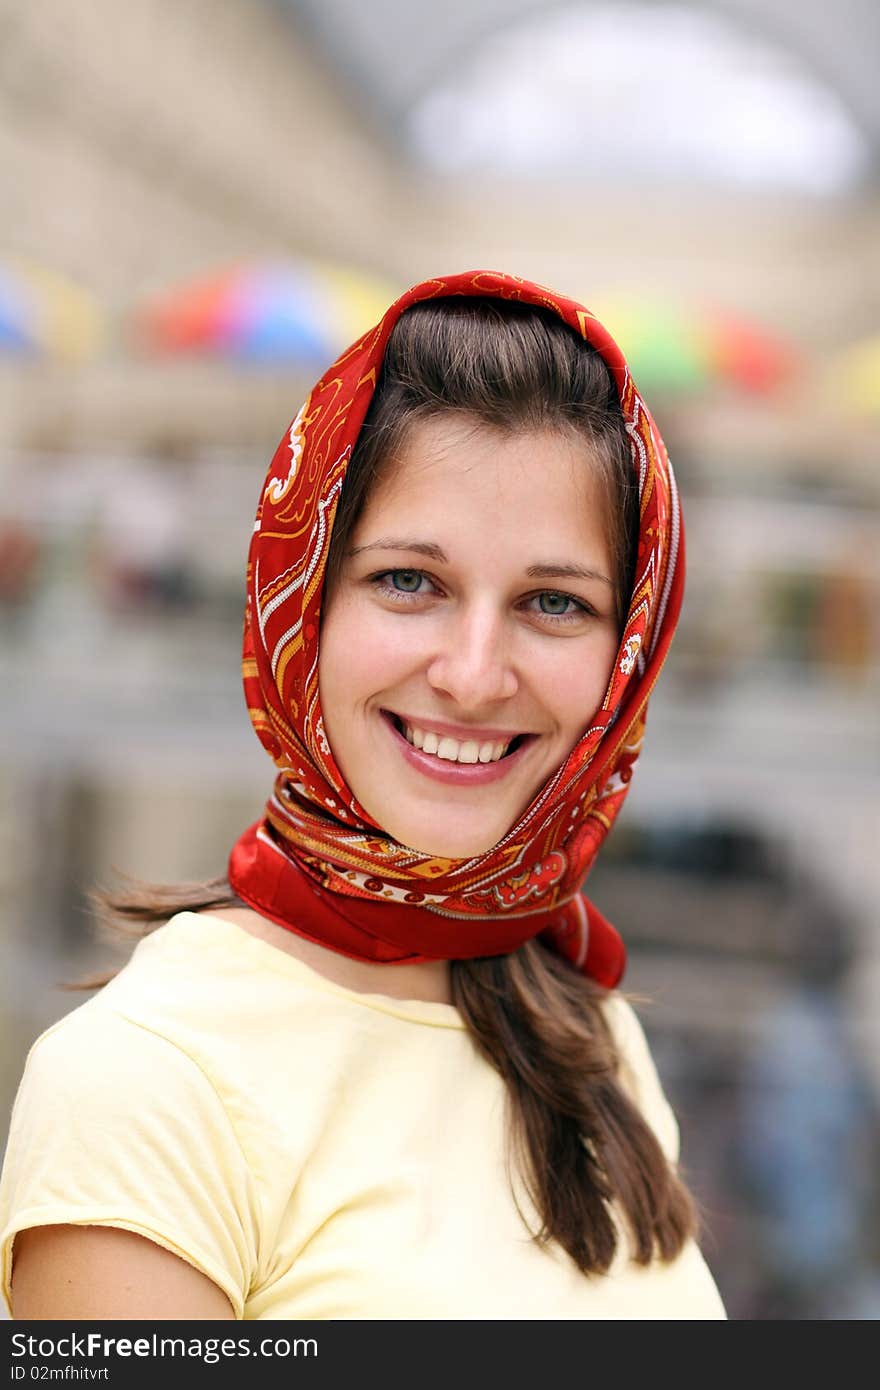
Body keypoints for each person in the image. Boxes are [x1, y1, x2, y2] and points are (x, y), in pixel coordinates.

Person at [0, 270, 726, 1320]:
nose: (474, 675)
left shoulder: (583, 1015)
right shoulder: (145, 1081)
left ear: (626, 655)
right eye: (408, 581)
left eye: (554, 601)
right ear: (301, 602)